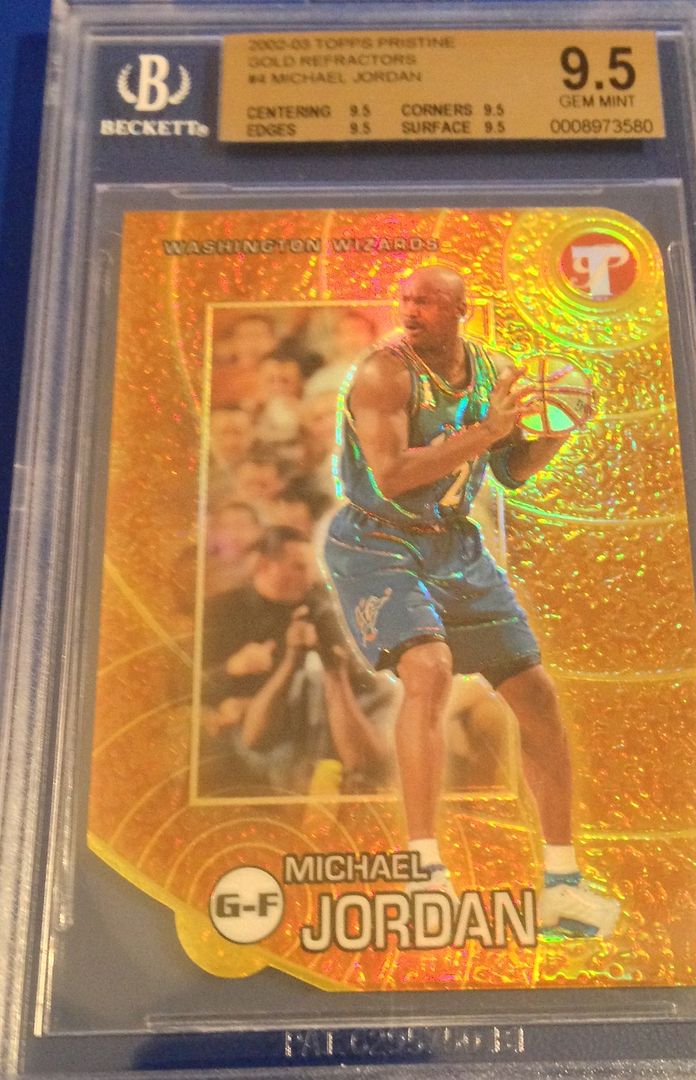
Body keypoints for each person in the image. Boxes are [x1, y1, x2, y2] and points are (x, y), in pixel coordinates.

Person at [323, 264, 620, 938]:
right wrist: (487, 431)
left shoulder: (497, 372)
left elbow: (510, 471)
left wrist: (557, 429)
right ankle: (423, 871)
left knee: (536, 695)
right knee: (427, 670)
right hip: (376, 539)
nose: (410, 311)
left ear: (462, 308)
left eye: (427, 301)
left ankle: (563, 884)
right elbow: (391, 476)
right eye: (405, 299)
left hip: (453, 544)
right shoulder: (383, 374)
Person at [203, 526, 392, 795]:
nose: (309, 578)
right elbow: (183, 685)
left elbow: (362, 681)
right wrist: (231, 669)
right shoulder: (221, 612)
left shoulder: (319, 607)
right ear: (265, 565)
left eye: (311, 568)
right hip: (247, 743)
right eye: (299, 568)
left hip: (309, 728)